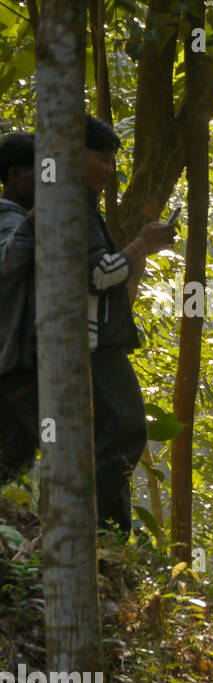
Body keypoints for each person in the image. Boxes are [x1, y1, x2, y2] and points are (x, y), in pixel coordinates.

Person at [81, 116, 177, 533]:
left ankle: (113, 536)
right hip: (90, 344)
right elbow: (97, 275)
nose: (108, 170)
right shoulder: (68, 208)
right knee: (124, 431)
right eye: (102, 160)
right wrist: (141, 245)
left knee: (114, 436)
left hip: (101, 340)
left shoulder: (84, 208)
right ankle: (93, 529)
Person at [0, 132, 38, 484]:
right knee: (23, 443)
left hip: (13, 359)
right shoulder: (9, 220)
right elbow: (8, 260)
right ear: (13, 175)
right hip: (11, 362)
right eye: (36, 173)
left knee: (20, 445)